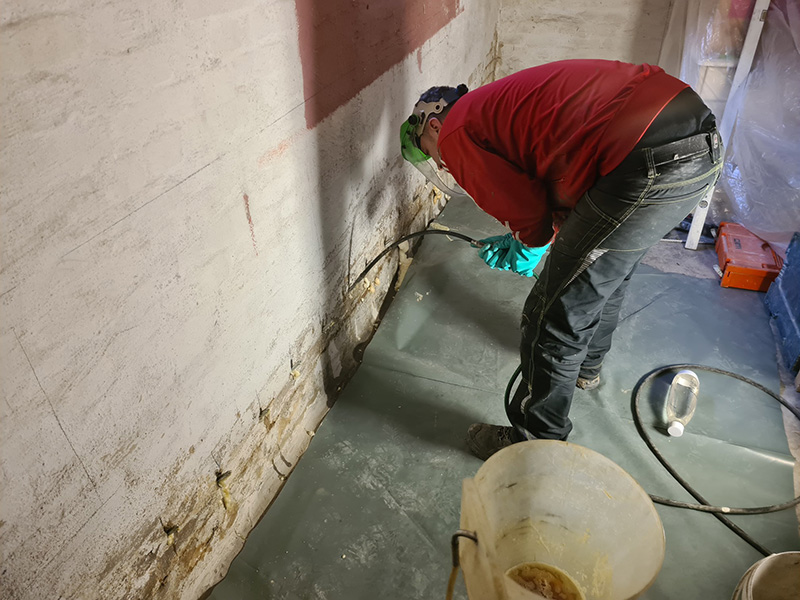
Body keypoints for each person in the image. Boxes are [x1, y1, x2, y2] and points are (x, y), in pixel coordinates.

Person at [400, 59, 723, 460]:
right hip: (693, 139)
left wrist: (528, 244)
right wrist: (528, 235)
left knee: (550, 313)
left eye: (429, 153)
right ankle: (586, 367)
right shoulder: (492, 110)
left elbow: (527, 213)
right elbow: (558, 183)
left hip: (647, 155)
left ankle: (534, 443)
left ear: (433, 126)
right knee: (606, 269)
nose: (438, 163)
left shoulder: (455, 131)